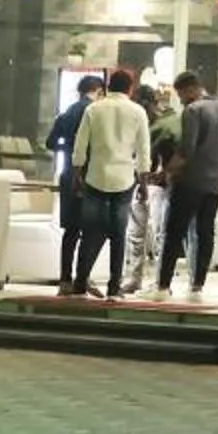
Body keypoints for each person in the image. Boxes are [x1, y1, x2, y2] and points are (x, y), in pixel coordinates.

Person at [66, 68, 149, 296]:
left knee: (90, 231)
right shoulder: (137, 111)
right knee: (118, 234)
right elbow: (143, 150)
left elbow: (80, 145)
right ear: (130, 88)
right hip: (124, 179)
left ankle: (80, 282)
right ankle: (114, 287)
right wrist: (143, 182)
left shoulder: (94, 109)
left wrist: (77, 174)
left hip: (95, 177)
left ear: (109, 86)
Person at [157, 72, 218, 297]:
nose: (181, 100)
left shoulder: (193, 111)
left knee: (174, 232)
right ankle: (197, 286)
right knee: (205, 232)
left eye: (181, 95)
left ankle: (163, 286)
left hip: (191, 181)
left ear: (189, 89)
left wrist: (165, 173)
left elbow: (186, 151)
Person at [126, 73, 183, 295]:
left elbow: (145, 157)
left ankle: (141, 279)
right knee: (154, 233)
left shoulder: (159, 126)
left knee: (147, 233)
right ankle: (152, 280)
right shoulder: (173, 121)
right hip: (162, 184)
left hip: (155, 184)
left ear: (146, 104)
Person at [45, 74, 102, 293]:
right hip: (88, 175)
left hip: (67, 174)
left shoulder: (66, 113)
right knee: (91, 229)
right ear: (98, 91)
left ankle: (65, 280)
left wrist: (67, 148)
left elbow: (50, 143)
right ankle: (83, 279)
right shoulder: (93, 112)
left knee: (70, 231)